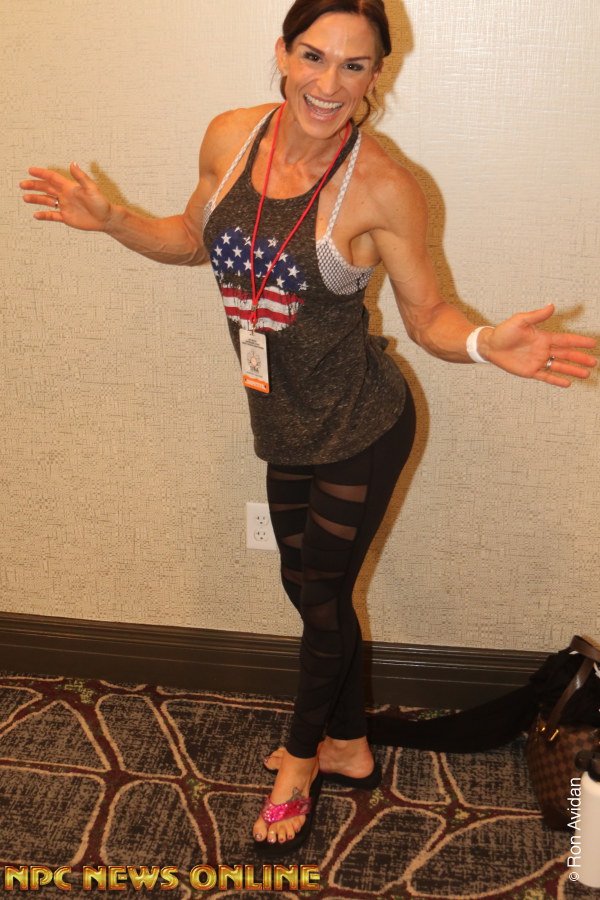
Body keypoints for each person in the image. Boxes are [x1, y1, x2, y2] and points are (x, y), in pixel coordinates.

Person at [20, 0, 596, 856]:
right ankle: (352, 745)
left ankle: (302, 758)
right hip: (284, 420)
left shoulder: (383, 185)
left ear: (376, 76)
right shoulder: (231, 138)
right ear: (284, 53)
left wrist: (484, 343)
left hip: (361, 423)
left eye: (354, 66)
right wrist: (114, 222)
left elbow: (428, 316)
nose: (329, 84)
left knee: (321, 599)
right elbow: (192, 238)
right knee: (308, 589)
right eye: (314, 56)